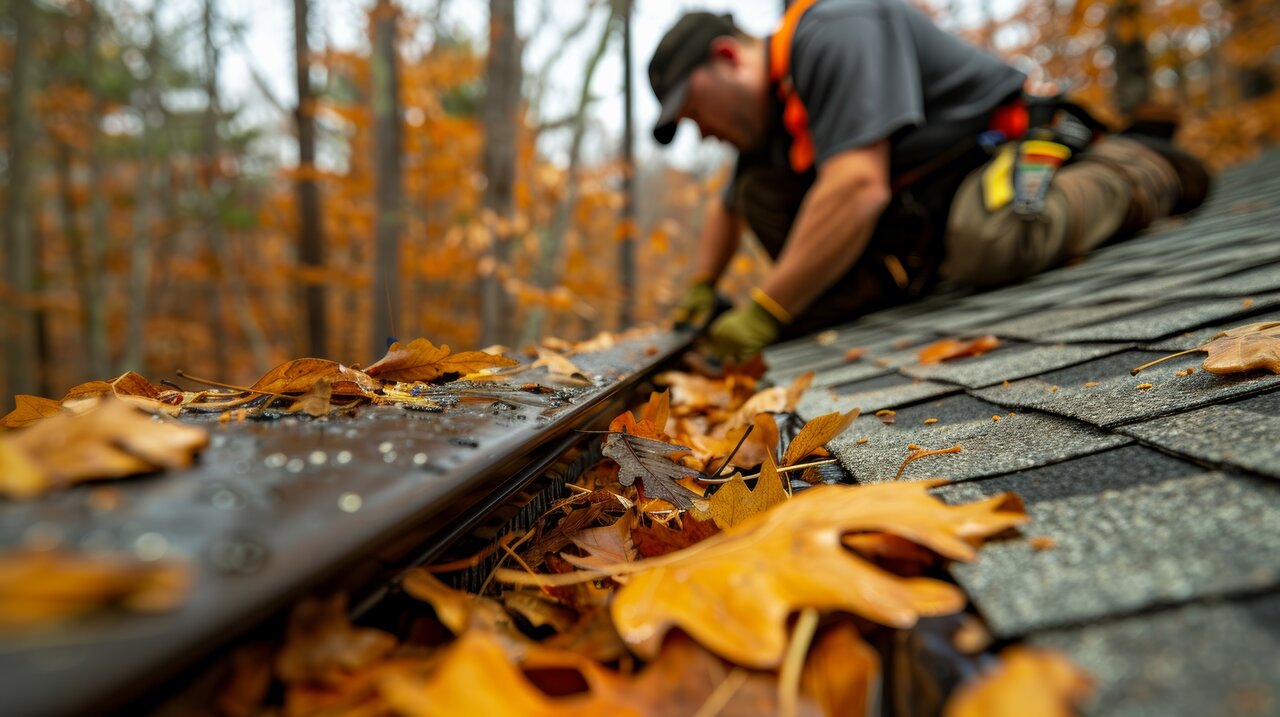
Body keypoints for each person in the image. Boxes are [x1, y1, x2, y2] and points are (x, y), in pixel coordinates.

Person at [650, 0, 1210, 360]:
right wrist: (701, 289)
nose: (702, 131)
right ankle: (878, 288)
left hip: (1008, 150)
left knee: (991, 238)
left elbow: (856, 185)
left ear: (727, 57)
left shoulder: (835, 29)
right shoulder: (770, 113)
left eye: (694, 109)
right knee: (757, 192)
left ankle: (1140, 165)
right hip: (930, 205)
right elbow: (731, 205)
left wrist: (766, 310)